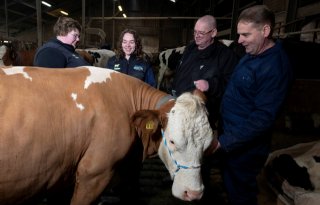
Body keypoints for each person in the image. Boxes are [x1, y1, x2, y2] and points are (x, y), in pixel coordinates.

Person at [211, 5, 293, 205]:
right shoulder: (252, 54)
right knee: (230, 184)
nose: (239, 41)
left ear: (265, 31)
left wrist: (225, 142)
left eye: (245, 35)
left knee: (241, 192)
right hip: (229, 136)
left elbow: (263, 118)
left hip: (245, 149)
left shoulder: (275, 67)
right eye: (239, 34)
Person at [172, 15, 239, 130]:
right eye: (195, 32)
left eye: (201, 33)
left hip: (200, 115)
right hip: (178, 106)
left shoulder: (225, 55)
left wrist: (210, 85)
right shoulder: (190, 49)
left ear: (213, 33)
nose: (196, 36)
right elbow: (179, 72)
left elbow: (231, 86)